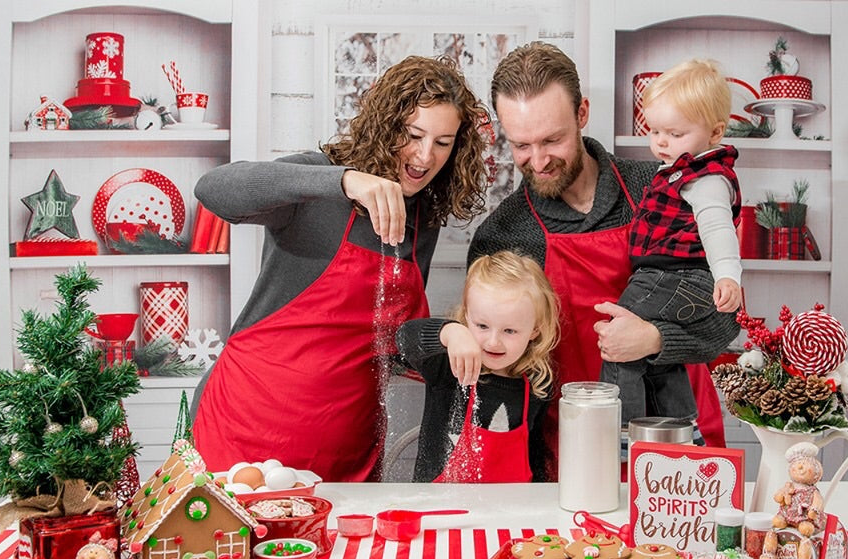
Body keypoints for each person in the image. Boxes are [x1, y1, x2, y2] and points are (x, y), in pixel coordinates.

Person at [191, 56, 489, 481]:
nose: (425, 156)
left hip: (346, 453)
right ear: (386, 125)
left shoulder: (423, 218)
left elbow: (391, 340)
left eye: (443, 142)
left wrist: (449, 334)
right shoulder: (318, 180)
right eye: (412, 134)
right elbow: (214, 188)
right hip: (244, 433)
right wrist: (344, 180)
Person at [468, 42, 739, 479]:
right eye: (521, 145)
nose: (537, 161)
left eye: (552, 139)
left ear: (582, 114)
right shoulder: (503, 236)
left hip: (683, 443)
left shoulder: (664, 189)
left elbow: (725, 322)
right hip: (577, 451)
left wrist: (654, 340)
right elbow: (501, 372)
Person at [600, 58, 742, 426]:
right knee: (661, 363)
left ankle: (619, 434)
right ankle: (680, 431)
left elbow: (718, 228)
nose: (661, 142)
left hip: (674, 276)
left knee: (619, 342)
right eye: (655, 131)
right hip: (672, 277)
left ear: (714, 133)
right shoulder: (674, 172)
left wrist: (728, 276)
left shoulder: (706, 179)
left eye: (675, 134)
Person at [395, 250, 560, 482]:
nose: (493, 341)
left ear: (535, 329)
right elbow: (403, 339)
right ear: (467, 317)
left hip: (509, 511)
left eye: (509, 331)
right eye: (482, 326)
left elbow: (535, 455)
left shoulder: (537, 384)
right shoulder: (447, 367)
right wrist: (450, 332)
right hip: (438, 508)